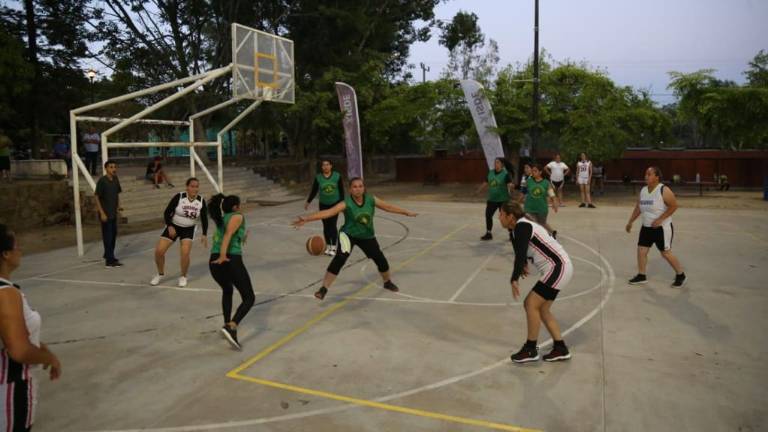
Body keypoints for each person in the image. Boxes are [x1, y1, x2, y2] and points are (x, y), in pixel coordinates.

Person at [292, 177, 418, 300]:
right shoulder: (346, 203)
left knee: (381, 260)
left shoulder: (371, 199)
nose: (358, 189)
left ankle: (387, 282)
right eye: (354, 187)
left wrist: (406, 212)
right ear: (350, 190)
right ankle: (323, 289)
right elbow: (329, 212)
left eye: (360, 186)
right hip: (348, 235)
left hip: (366, 236)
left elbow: (389, 207)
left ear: (364, 188)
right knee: (339, 259)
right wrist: (307, 218)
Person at [0, 224, 62, 430]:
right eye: (17, 245)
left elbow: (11, 330)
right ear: (6, 254)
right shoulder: (5, 294)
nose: (21, 250)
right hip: (10, 389)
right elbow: (18, 349)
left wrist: (39, 344)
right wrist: (50, 359)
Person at [498, 201, 573, 363]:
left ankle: (530, 349)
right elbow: (522, 251)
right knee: (543, 309)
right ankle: (561, 348)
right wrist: (524, 263)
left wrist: (514, 278)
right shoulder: (514, 230)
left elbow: (519, 255)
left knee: (530, 304)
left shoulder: (522, 226)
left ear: (510, 216)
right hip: (557, 268)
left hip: (558, 267)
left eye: (501, 214)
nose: (499, 218)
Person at [625, 166, 686, 287]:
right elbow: (639, 207)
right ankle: (641, 275)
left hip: (661, 228)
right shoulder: (643, 190)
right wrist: (630, 221)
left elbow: (673, 206)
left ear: (657, 177)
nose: (646, 176)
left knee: (665, 253)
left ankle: (680, 275)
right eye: (646, 174)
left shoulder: (663, 190)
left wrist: (660, 219)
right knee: (641, 250)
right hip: (646, 227)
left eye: (649, 174)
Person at [208, 194, 254, 350]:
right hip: (228, 259)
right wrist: (223, 256)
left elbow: (229, 235)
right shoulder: (237, 216)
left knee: (227, 290)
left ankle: (226, 324)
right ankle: (231, 326)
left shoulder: (222, 219)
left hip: (213, 261)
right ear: (235, 207)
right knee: (249, 298)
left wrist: (243, 238)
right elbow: (228, 235)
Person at [150, 178, 209, 288]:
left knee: (185, 253)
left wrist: (204, 234)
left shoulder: (201, 201)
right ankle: (160, 274)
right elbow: (167, 212)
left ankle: (183, 276)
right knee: (159, 251)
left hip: (188, 229)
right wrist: (170, 226)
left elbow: (204, 219)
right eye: (192, 186)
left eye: (197, 186)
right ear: (187, 187)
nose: (195, 188)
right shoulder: (179, 197)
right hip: (174, 226)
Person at [305, 160, 345, 256]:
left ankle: (333, 247)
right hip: (323, 204)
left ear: (331, 166)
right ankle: (328, 246)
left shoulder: (337, 176)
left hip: (334, 204)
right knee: (326, 226)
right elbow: (314, 190)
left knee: (332, 225)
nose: (325, 166)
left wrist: (342, 204)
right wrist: (308, 201)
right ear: (322, 167)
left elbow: (341, 191)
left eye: (327, 165)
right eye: (323, 165)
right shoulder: (318, 178)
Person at [476, 157, 515, 241]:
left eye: (497, 162)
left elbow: (509, 185)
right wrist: (479, 190)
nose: (495, 164)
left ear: (502, 164)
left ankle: (511, 234)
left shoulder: (505, 174)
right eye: (495, 162)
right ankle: (488, 233)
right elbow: (486, 182)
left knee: (506, 217)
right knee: (488, 215)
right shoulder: (490, 173)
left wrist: (511, 188)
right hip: (492, 200)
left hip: (503, 200)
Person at [95, 160, 123, 267]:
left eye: (115, 167)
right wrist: (101, 213)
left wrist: (119, 205)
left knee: (113, 235)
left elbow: (117, 194)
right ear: (106, 168)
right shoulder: (102, 181)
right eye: (111, 167)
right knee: (108, 236)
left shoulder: (115, 179)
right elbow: (96, 196)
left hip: (113, 212)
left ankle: (109, 255)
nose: (114, 169)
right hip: (105, 213)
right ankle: (109, 260)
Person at [524, 164, 558, 237]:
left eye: (535, 171)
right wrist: (517, 201)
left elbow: (552, 194)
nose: (533, 172)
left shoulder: (546, 183)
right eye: (532, 171)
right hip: (529, 207)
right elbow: (522, 192)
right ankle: (533, 238)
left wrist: (554, 203)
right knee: (531, 223)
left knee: (542, 223)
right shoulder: (528, 181)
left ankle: (552, 232)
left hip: (541, 208)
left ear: (540, 172)